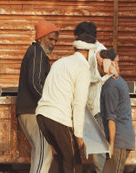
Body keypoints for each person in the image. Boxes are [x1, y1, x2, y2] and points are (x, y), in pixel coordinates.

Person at [36, 33, 97, 173]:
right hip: (58, 118)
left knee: (59, 157)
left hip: (42, 115)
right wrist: (79, 135)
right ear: (90, 52)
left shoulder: (61, 62)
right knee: (74, 161)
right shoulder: (82, 68)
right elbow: (79, 104)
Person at [73, 22, 118, 173]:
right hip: (88, 106)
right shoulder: (91, 49)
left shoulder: (99, 51)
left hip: (96, 107)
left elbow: (96, 76)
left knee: (99, 150)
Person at [16, 20, 59, 173]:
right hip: (33, 111)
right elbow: (35, 83)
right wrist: (48, 106)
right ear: (40, 38)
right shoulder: (37, 53)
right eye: (50, 39)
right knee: (44, 153)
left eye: (55, 40)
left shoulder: (36, 53)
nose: (53, 43)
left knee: (39, 153)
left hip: (30, 110)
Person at [98, 49, 135, 173]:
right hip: (121, 139)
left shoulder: (111, 86)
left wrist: (111, 145)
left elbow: (111, 118)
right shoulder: (116, 81)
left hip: (119, 140)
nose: (97, 67)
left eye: (98, 64)